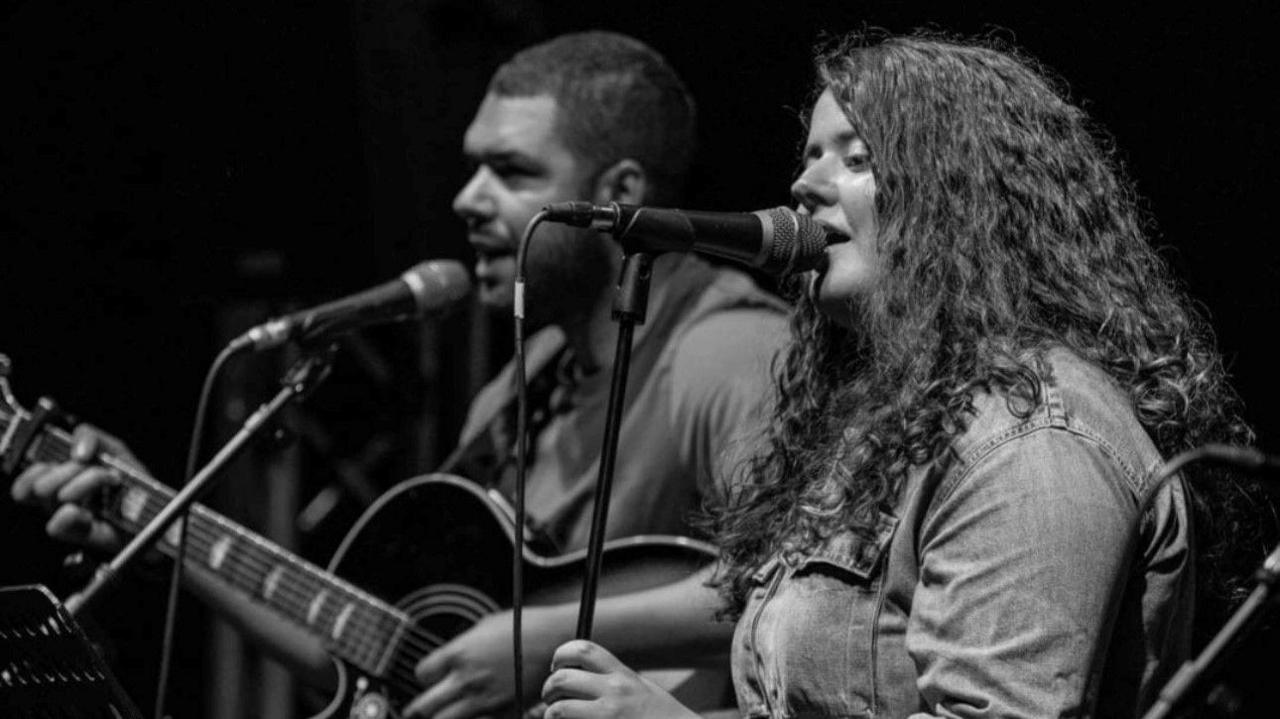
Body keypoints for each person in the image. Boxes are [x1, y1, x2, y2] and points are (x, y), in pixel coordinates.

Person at [9, 31, 788, 718]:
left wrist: (537, 638)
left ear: (618, 193)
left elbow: (797, 590)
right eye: (470, 167)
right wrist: (158, 523)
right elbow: (383, 651)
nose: (465, 199)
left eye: (509, 171)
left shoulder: (723, 350)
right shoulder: (512, 397)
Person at [534, 32, 1262, 719]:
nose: (803, 183)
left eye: (857, 158)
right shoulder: (890, 420)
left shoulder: (1032, 434)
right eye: (811, 154)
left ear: (962, 199)